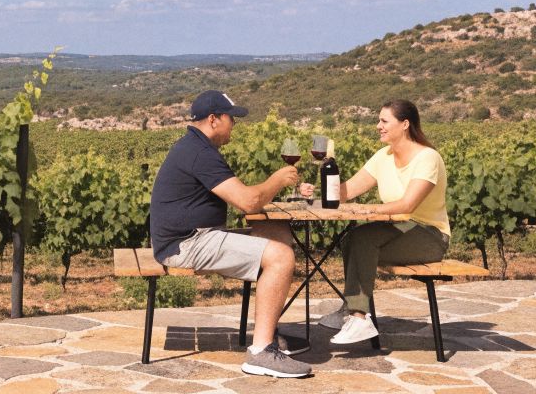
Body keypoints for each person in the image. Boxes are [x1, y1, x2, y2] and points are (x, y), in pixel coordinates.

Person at [150, 90, 312, 378]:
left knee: (275, 230)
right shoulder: (200, 153)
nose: (234, 124)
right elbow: (248, 201)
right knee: (281, 257)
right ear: (214, 119)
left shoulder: (195, 146)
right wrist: (277, 180)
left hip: (190, 236)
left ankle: (268, 333)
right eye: (232, 118)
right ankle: (261, 353)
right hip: (186, 243)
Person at [317, 99, 449, 345]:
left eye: (384, 121)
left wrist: (369, 210)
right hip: (400, 229)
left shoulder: (427, 158)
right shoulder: (383, 156)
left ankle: (358, 316)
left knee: (363, 239)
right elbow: (347, 191)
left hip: (430, 235)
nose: (378, 126)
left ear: (405, 124)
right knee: (352, 240)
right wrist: (319, 190)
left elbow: (407, 205)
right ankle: (352, 309)